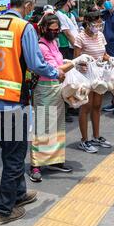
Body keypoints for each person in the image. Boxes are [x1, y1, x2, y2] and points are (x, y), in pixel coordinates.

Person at [0, 0, 69, 225]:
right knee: (15, 156)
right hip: (13, 102)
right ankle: (4, 210)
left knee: (10, 150)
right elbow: (37, 64)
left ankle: (19, 193)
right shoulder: (23, 28)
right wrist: (55, 72)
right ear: (27, 6)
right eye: (31, 8)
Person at [29, 13, 75, 183]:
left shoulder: (54, 43)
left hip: (57, 88)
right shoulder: (41, 46)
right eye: (53, 30)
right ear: (44, 29)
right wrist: (75, 62)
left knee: (57, 126)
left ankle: (55, 160)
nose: (56, 33)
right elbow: (55, 68)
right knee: (42, 127)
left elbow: (60, 63)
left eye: (58, 30)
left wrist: (71, 62)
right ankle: (36, 165)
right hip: (44, 90)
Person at [74, 7, 112, 154]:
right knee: (86, 107)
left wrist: (108, 59)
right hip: (86, 77)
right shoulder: (80, 37)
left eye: (99, 24)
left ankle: (96, 136)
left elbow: (104, 53)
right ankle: (84, 140)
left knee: (97, 105)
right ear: (88, 23)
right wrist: (86, 62)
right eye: (95, 24)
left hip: (100, 75)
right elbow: (76, 60)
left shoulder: (101, 36)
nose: (98, 27)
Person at [55, 0, 80, 122]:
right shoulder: (59, 15)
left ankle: (71, 106)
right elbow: (68, 34)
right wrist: (78, 47)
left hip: (73, 48)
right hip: (65, 49)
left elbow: (75, 31)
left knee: (71, 78)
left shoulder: (70, 14)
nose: (75, 3)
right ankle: (63, 111)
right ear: (68, 1)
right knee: (64, 79)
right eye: (73, 1)